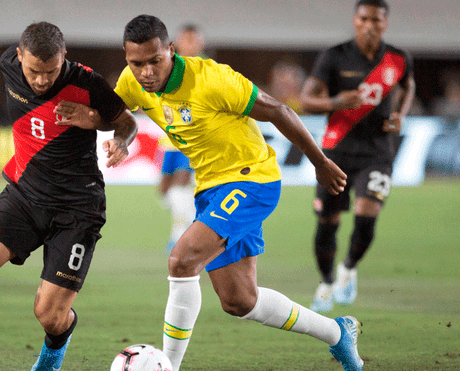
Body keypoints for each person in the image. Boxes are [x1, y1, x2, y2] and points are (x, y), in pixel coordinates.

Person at [63, 14, 365, 371]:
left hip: (252, 180)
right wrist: (117, 137)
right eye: (136, 63)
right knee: (240, 301)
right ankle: (337, 333)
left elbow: (279, 110)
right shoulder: (133, 80)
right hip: (210, 188)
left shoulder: (212, 79)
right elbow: (121, 116)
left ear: (170, 51)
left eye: (154, 61)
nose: (146, 72)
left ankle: (168, 367)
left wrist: (320, 162)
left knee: (181, 259)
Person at [0, 21, 137, 371]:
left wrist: (103, 127)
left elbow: (126, 122)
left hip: (77, 208)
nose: (42, 80)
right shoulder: (7, 66)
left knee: (49, 315)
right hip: (24, 196)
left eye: (52, 70)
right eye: (34, 71)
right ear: (18, 57)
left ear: (64, 57)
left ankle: (54, 349)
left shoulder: (87, 83)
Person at [299, 0, 415, 313]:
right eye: (364, 19)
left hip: (378, 152)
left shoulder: (398, 58)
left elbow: (408, 86)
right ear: (355, 21)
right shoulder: (334, 56)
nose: (369, 25)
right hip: (336, 152)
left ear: (385, 23)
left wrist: (401, 114)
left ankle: (348, 269)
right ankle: (325, 283)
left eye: (376, 20)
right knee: (328, 222)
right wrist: (336, 101)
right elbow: (306, 100)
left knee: (367, 215)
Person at [158, 24, 205, 253]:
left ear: (200, 43)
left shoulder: (205, 69)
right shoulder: (167, 65)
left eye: (193, 40)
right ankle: (191, 218)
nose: (189, 43)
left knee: (180, 184)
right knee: (164, 191)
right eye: (185, 39)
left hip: (192, 140)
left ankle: (180, 235)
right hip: (168, 139)